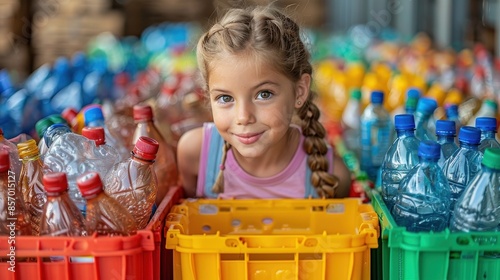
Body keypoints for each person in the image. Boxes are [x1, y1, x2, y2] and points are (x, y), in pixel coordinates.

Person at [177, 5, 351, 199]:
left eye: (264, 94)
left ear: (300, 91)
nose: (243, 117)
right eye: (225, 98)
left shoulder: (332, 175)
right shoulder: (195, 154)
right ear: (208, 96)